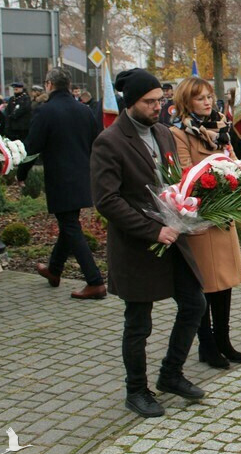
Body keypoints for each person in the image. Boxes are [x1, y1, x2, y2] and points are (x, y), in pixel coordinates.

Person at [90, 68, 206, 418]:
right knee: (138, 322)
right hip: (138, 246)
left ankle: (171, 374)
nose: (159, 107)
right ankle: (136, 390)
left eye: (161, 100)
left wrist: (191, 211)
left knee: (194, 304)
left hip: (174, 239)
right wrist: (152, 230)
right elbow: (107, 200)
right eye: (150, 102)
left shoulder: (163, 133)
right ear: (131, 103)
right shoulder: (109, 142)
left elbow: (174, 181)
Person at [169, 77, 241, 370]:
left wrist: (239, 177)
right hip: (200, 218)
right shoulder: (178, 132)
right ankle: (207, 345)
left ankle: (223, 340)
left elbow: (234, 161)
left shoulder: (222, 128)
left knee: (224, 282)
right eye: (200, 98)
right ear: (186, 102)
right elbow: (185, 173)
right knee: (205, 284)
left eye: (209, 97)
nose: (207, 102)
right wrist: (218, 176)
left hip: (223, 214)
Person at [18, 67, 106, 299]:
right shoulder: (84, 110)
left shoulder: (45, 111)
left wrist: (21, 172)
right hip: (82, 175)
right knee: (69, 224)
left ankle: (95, 281)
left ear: (48, 85)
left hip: (60, 178)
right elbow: (95, 141)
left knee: (70, 227)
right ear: (68, 85)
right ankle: (54, 270)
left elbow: (32, 146)